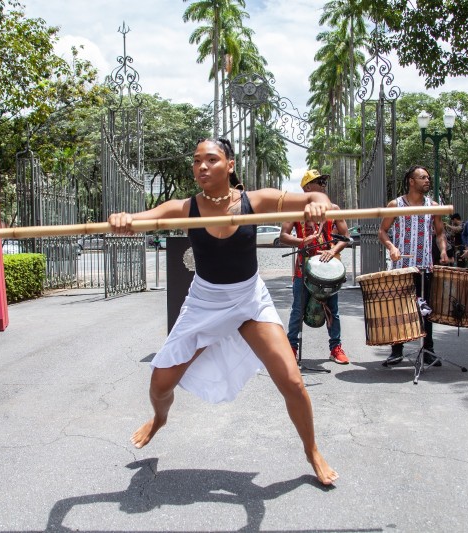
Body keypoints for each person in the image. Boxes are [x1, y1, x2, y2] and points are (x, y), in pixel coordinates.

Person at [107, 138, 338, 486]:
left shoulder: (255, 201)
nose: (202, 166)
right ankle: (159, 419)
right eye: (197, 160)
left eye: (211, 159)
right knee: (160, 384)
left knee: (292, 381)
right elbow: (144, 219)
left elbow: (313, 197)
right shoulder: (184, 207)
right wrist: (124, 219)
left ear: (229, 165)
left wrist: (319, 204)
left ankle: (312, 450)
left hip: (249, 300)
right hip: (205, 302)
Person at [377, 165, 449, 366]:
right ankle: (396, 351)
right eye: (422, 177)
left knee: (425, 310)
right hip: (402, 267)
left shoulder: (433, 205)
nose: (427, 181)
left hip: (425, 266)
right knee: (399, 309)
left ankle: (428, 350)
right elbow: (382, 231)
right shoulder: (396, 204)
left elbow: (440, 232)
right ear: (411, 180)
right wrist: (391, 246)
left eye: (428, 177)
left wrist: (443, 250)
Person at [280, 170, 351, 364]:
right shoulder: (295, 210)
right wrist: (303, 240)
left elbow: (346, 236)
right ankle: (291, 348)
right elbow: (283, 236)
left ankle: (335, 348)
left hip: (328, 269)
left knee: (332, 310)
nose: (323, 185)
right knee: (297, 310)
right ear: (308, 188)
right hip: (303, 268)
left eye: (323, 181)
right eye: (319, 182)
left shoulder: (333, 208)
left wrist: (332, 250)